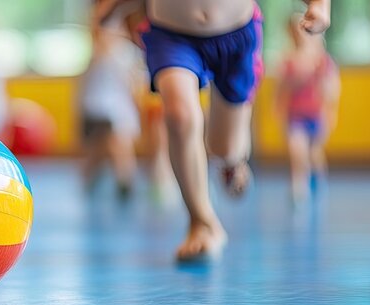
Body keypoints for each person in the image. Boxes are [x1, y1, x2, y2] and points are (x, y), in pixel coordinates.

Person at [120, 0, 331, 261]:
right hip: (169, 32)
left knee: (224, 147)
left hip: (236, 34)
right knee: (179, 115)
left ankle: (234, 160)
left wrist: (319, 5)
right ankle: (201, 222)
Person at [80, 1, 143, 198]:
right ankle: (94, 179)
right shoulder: (98, 53)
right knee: (97, 152)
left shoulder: (127, 53)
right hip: (98, 107)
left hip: (118, 110)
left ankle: (125, 181)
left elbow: (134, 84)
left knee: (119, 145)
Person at [277, 14, 339, 206]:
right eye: (294, 32)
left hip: (316, 114)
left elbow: (332, 90)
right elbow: (281, 90)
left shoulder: (323, 60)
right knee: (297, 152)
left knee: (314, 154)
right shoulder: (288, 61)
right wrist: (278, 110)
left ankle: (317, 181)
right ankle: (298, 187)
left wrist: (329, 111)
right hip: (295, 116)